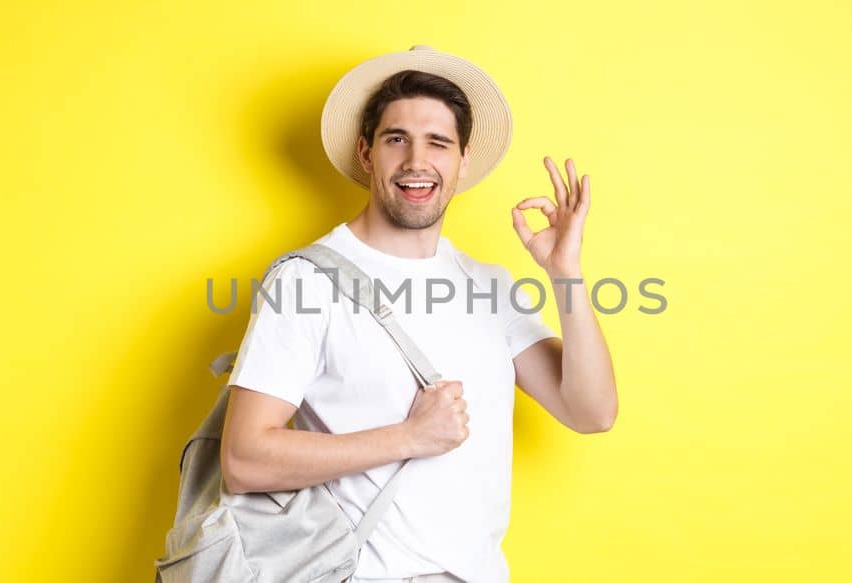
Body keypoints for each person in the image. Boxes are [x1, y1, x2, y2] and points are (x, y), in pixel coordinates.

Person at [220, 45, 618, 583]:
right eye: (396, 140)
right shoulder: (306, 281)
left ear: (462, 160)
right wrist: (408, 437)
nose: (416, 162)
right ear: (366, 153)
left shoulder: (488, 285)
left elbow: (591, 412)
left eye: (438, 143)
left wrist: (565, 273)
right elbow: (243, 460)